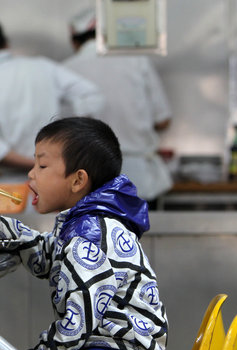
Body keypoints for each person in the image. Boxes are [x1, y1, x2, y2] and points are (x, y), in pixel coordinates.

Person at [0, 117, 169, 350]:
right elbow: (49, 256)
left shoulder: (89, 235)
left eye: (43, 165)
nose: (31, 173)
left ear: (78, 180)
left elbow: (77, 324)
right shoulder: (89, 222)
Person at [0, 17, 104, 186]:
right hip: (52, 184)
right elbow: (93, 97)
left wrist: (35, 164)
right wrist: (62, 130)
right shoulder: (43, 67)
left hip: (4, 189)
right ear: (5, 44)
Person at [62, 8, 173, 207]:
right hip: (138, 179)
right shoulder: (137, 61)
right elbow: (163, 120)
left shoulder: (65, 69)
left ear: (74, 41)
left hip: (88, 181)